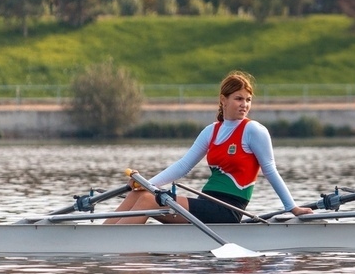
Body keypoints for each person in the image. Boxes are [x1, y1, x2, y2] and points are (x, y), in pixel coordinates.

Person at [104, 71, 313, 225]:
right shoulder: (211, 131)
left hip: (227, 210)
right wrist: (146, 184)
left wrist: (291, 208)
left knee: (149, 200)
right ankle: (101, 238)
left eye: (248, 100)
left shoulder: (254, 131)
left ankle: (110, 247)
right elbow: (183, 166)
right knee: (139, 195)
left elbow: (270, 170)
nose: (244, 104)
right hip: (207, 204)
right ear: (223, 100)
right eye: (238, 98)